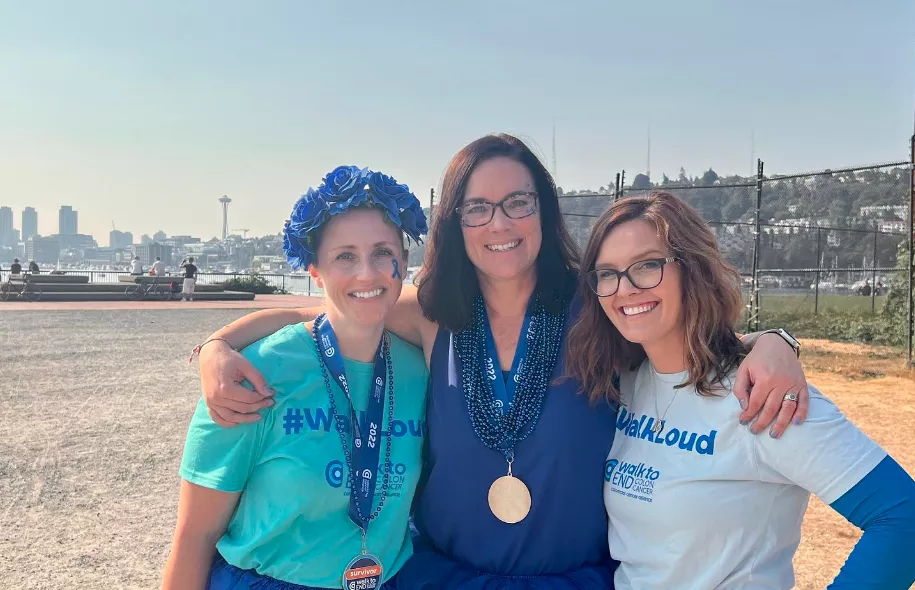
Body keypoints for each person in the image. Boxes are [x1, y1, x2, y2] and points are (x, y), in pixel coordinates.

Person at [192, 135, 809, 588]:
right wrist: (216, 347)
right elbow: (323, 313)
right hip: (442, 577)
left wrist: (776, 342)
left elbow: (686, 336)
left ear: (544, 210)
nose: (500, 223)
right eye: (478, 208)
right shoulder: (434, 315)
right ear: (454, 223)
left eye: (518, 202)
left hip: (580, 580)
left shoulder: (598, 309)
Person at [565, 191, 915, 589]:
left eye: (647, 265)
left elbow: (904, 519)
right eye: (607, 273)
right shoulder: (626, 381)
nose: (625, 288)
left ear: (692, 269)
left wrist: (776, 343)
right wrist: (775, 337)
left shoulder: (763, 394)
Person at [161, 166, 430, 590]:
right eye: (345, 256)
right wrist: (216, 345)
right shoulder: (253, 374)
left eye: (382, 252)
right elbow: (195, 535)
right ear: (315, 271)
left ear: (405, 262)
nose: (366, 273)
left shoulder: (423, 371)